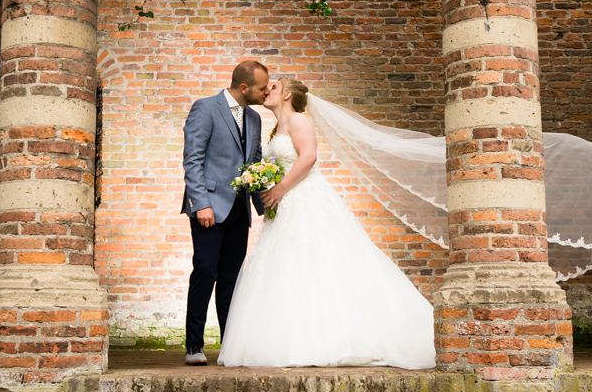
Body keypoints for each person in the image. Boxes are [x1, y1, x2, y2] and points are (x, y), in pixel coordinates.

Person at [216, 78, 436, 369]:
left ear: (287, 94)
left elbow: (308, 157)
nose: (267, 89)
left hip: (306, 200)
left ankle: (338, 339)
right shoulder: (276, 129)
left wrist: (279, 189)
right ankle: (289, 339)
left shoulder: (299, 122)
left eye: (273, 86)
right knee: (286, 267)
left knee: (320, 262)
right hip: (285, 208)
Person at [181, 60, 270, 365]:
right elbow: (192, 159)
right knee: (206, 271)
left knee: (232, 278)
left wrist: (264, 207)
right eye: (262, 87)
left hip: (239, 210)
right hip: (209, 207)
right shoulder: (205, 108)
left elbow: (255, 167)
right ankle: (194, 345)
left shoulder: (256, 119)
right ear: (244, 87)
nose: (266, 91)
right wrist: (200, 203)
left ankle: (230, 345)